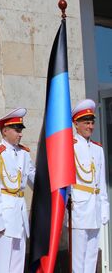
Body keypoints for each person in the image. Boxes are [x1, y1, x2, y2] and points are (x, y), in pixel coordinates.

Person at [0, 108, 35, 273]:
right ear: (5, 131)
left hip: (19, 214)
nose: (20, 134)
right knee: (3, 266)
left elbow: (35, 179)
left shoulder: (24, 154)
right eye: (17, 130)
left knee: (18, 264)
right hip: (3, 217)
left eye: (21, 130)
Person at [70, 99, 109, 273]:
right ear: (76, 124)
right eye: (86, 122)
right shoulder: (69, 147)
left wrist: (105, 209)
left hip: (95, 207)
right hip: (78, 207)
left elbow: (100, 181)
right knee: (79, 257)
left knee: (92, 255)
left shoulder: (97, 148)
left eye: (92, 122)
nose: (90, 126)